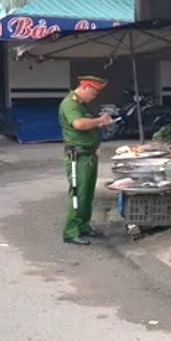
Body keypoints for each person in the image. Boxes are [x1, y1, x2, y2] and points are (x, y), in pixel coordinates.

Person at [59, 75, 113, 246]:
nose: (94, 97)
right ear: (84, 87)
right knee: (78, 193)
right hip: (78, 156)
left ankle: (83, 226)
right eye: (93, 93)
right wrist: (100, 120)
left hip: (88, 155)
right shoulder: (70, 104)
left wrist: (98, 123)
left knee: (87, 194)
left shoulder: (81, 105)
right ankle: (71, 231)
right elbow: (79, 124)